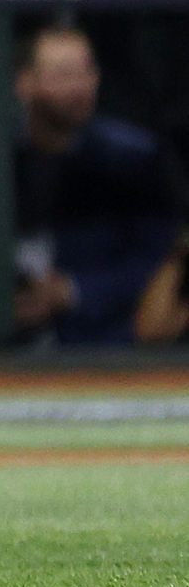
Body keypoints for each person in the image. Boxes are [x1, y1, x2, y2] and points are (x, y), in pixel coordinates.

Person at [12, 24, 186, 349]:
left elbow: (161, 259)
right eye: (63, 74)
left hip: (106, 346)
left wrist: (73, 291)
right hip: (3, 350)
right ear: (25, 83)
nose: (79, 87)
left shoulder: (136, 157)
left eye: (86, 71)